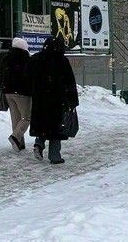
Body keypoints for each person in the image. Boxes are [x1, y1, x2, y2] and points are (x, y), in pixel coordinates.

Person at [29, 35, 79, 165]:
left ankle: (39, 144)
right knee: (57, 129)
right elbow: (70, 82)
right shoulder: (62, 61)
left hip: (40, 99)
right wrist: (73, 101)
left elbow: (27, 76)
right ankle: (54, 156)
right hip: (57, 100)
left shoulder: (36, 59)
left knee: (42, 124)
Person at [0, 37, 34, 151]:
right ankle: (15, 137)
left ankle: (19, 144)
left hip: (8, 92)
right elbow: (30, 76)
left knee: (16, 118)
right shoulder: (26, 59)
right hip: (22, 92)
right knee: (27, 117)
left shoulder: (6, 58)